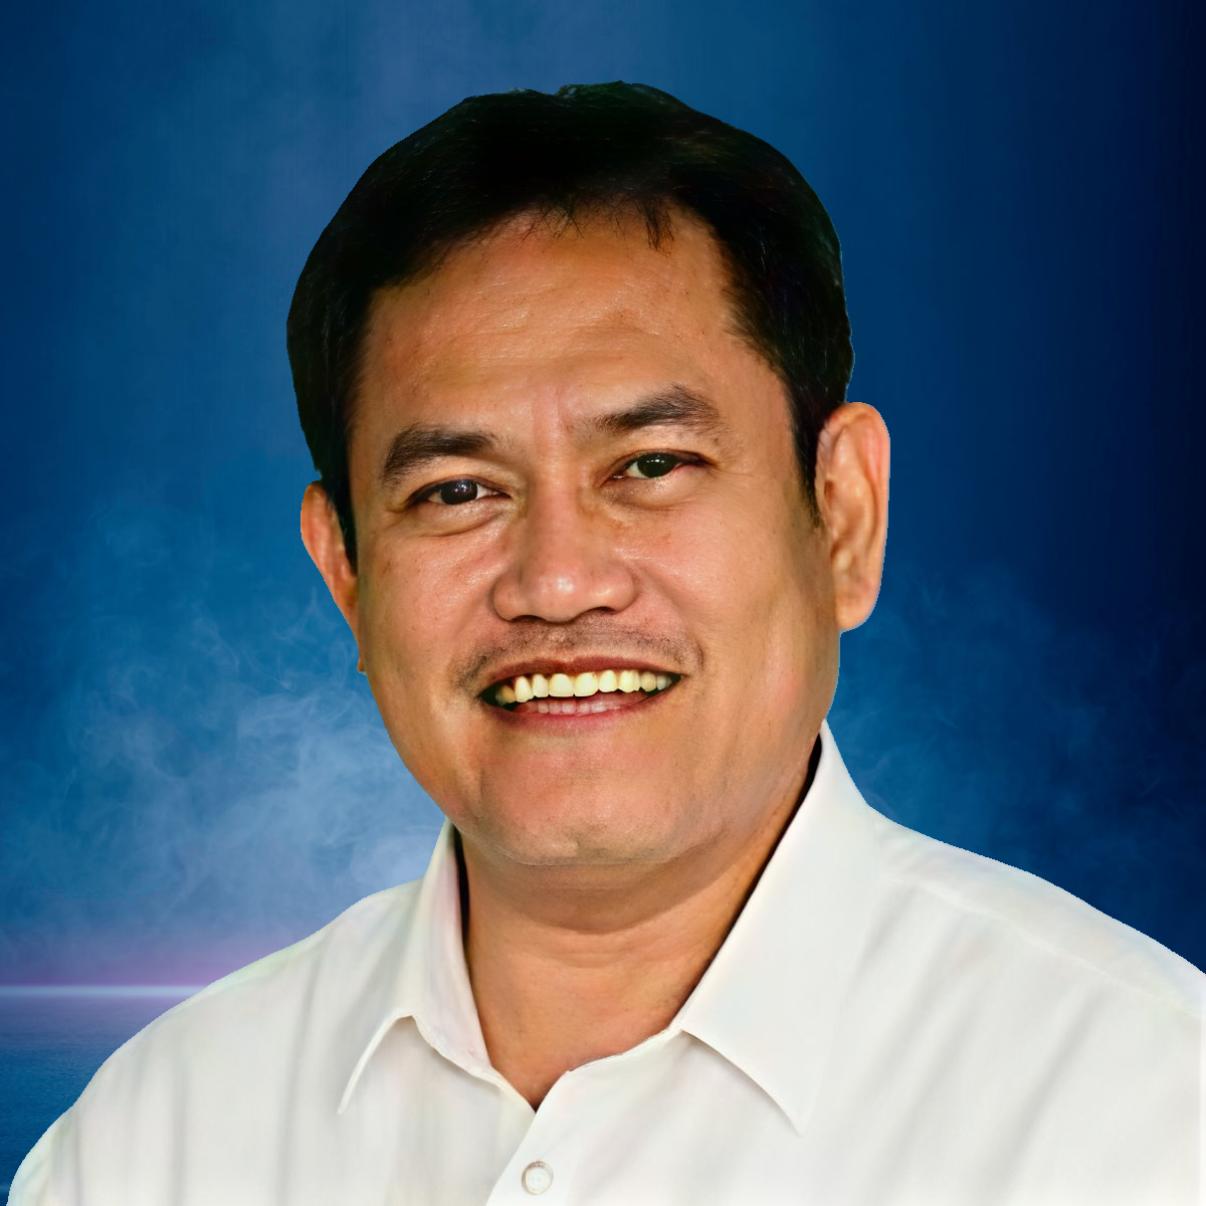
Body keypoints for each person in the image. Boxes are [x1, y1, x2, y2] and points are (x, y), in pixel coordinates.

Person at [11, 81, 1201, 1206]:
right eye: (457, 491)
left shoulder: (1139, 1109)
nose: (558, 581)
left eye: (651, 465)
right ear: (346, 574)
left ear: (842, 515)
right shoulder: (155, 1144)